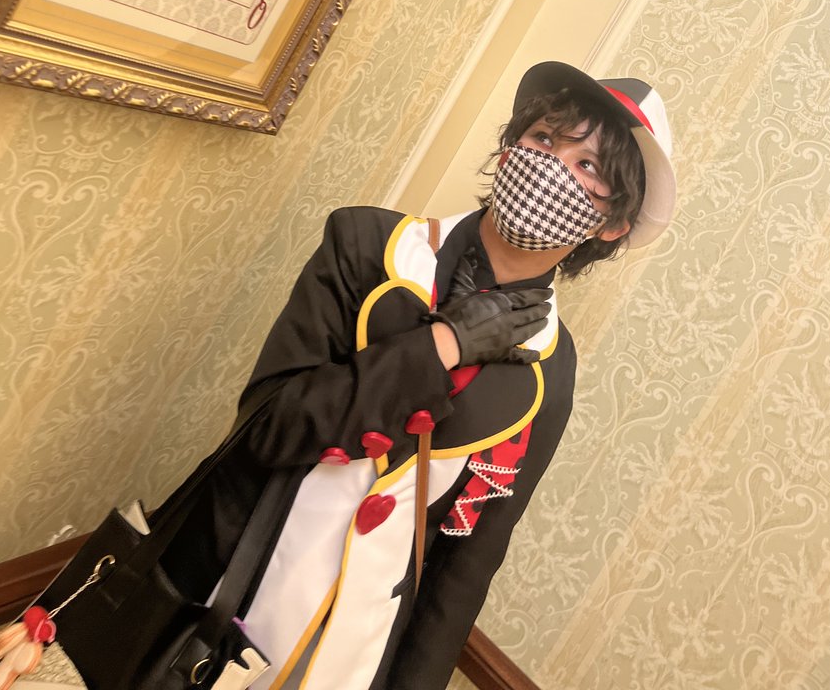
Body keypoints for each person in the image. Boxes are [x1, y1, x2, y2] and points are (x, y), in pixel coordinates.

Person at [160, 60, 676, 689]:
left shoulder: (552, 368)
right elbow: (270, 426)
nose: (552, 167)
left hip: (351, 650)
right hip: (223, 590)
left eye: (588, 166)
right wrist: (441, 345)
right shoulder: (365, 245)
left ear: (612, 224)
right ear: (511, 147)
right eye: (543, 138)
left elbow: (468, 562)